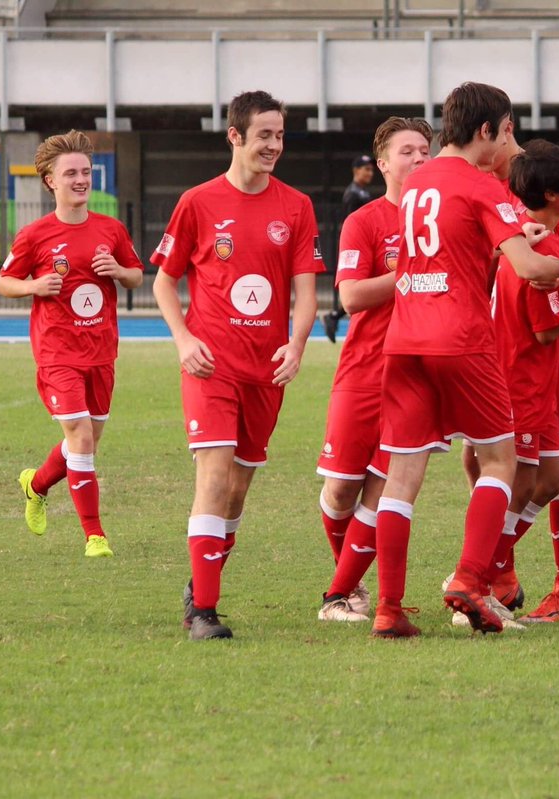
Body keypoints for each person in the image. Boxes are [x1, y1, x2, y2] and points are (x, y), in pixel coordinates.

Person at [371, 81, 559, 639]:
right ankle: (469, 579)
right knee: (499, 463)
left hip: (405, 339)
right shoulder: (481, 184)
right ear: (486, 130)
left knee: (402, 476)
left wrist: (513, 237)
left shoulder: (416, 183)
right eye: (505, 131)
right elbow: (532, 271)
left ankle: (389, 608)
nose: (506, 143)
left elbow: (452, 245)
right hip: (461, 339)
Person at [151, 90, 323, 640]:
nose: (274, 144)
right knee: (215, 474)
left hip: (264, 372)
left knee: (237, 491)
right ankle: (203, 610)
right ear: (235, 136)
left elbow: (306, 292)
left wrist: (295, 345)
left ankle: (199, 581)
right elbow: (163, 280)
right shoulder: (198, 202)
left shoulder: (295, 206)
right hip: (210, 366)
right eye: (264, 134)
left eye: (279, 134)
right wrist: (182, 340)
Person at [0, 130, 144, 558]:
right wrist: (35, 286)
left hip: (101, 350)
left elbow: (137, 275)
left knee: (86, 442)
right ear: (51, 181)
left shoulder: (111, 229)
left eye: (85, 172)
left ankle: (36, 484)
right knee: (80, 436)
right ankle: (95, 536)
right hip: (57, 352)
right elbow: (3, 283)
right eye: (71, 173)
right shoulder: (35, 234)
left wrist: (117, 269)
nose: (81, 179)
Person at [315, 117, 433, 623]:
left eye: (426, 151)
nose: (419, 159)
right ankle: (351, 580)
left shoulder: (442, 221)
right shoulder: (364, 222)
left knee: (384, 488)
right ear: (382, 162)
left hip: (417, 375)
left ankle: (339, 595)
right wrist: (411, 272)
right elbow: (351, 295)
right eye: (408, 151)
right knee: (342, 487)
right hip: (363, 371)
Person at [485, 139, 559, 624]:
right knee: (519, 481)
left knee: (547, 479)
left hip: (538, 382)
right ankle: (479, 573)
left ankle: (489, 567)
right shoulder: (537, 247)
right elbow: (547, 330)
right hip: (518, 379)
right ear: (552, 194)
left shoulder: (533, 237)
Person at [324, 155, 380, 342]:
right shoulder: (353, 194)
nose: (369, 173)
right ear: (356, 171)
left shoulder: (362, 193)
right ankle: (334, 316)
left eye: (371, 170)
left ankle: (334, 316)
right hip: (358, 247)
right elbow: (354, 223)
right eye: (366, 169)